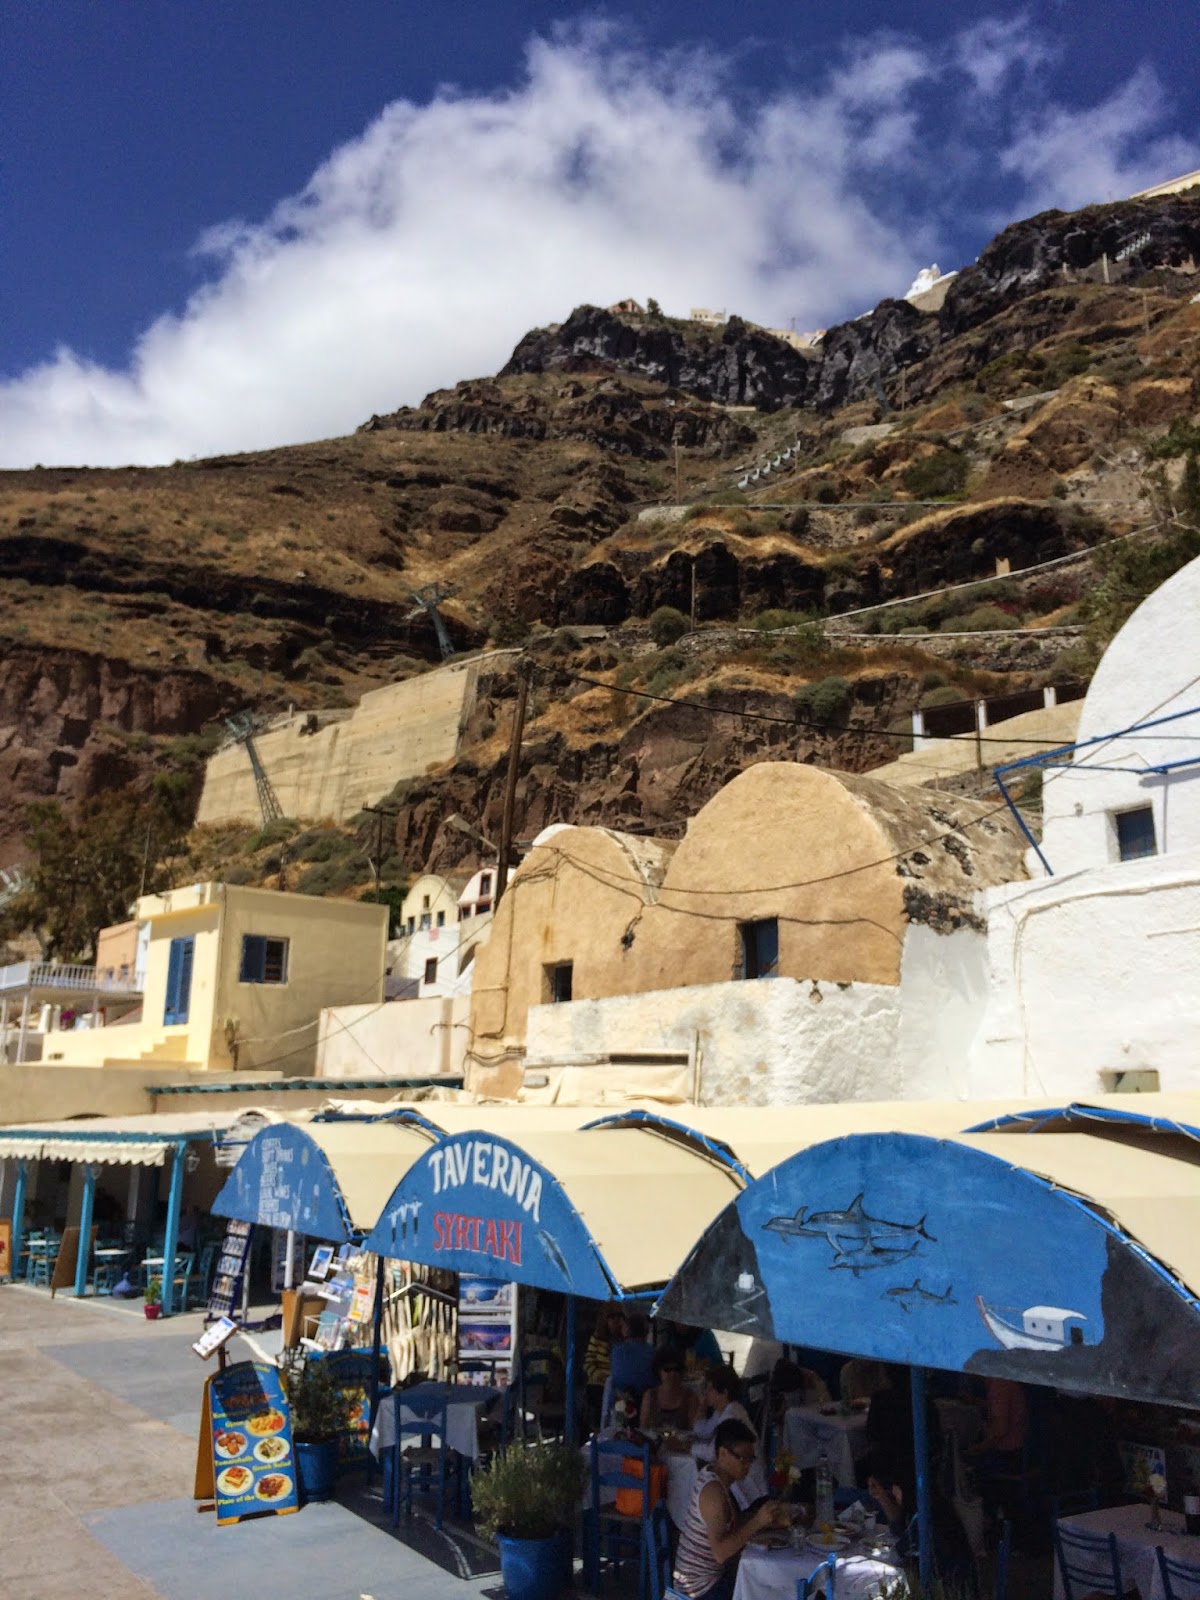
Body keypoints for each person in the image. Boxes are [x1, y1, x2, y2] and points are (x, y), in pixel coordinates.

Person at [672, 1419, 788, 1600]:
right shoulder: (713, 1492)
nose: (748, 1465)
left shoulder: (716, 1478)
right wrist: (758, 1522)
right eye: (742, 1458)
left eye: (751, 1459)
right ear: (723, 1454)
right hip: (700, 1590)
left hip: (711, 1579)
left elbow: (731, 1524)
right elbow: (720, 1553)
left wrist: (768, 1520)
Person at [867, 1446, 977, 1596]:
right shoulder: (938, 1507)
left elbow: (895, 1556)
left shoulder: (924, 1519)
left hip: (948, 1592)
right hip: (961, 1588)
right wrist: (882, 1497)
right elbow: (899, 1529)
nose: (892, 1492)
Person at [641, 1348, 701, 1433]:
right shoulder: (650, 1396)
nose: (672, 1373)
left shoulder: (690, 1398)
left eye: (676, 1369)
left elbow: (694, 1431)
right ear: (659, 1371)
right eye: (667, 1369)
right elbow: (643, 1429)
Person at [609, 1311, 656, 1407]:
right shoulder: (653, 1353)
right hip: (647, 1403)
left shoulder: (617, 1351)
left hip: (621, 1403)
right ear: (646, 1330)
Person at [585, 1308, 621, 1429]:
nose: (616, 1320)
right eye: (612, 1316)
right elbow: (588, 1364)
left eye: (619, 1316)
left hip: (618, 1386)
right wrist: (602, 1377)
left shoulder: (624, 1341)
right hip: (598, 1384)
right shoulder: (597, 1338)